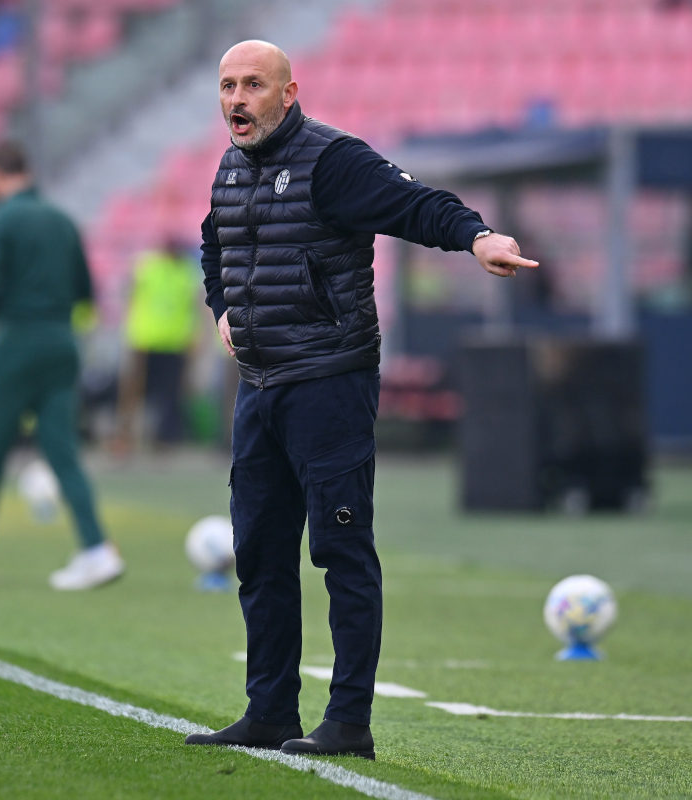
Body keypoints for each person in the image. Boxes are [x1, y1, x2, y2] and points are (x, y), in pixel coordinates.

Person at [184, 41, 537, 758]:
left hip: (328, 384)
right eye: (227, 86)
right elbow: (213, 245)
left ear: (288, 93)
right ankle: (271, 711)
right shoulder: (229, 168)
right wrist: (222, 308)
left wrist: (476, 237)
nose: (237, 99)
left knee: (341, 549)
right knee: (259, 554)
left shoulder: (334, 161)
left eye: (253, 85)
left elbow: (415, 204)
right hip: (259, 388)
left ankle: (348, 722)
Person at [0, 141, 122, 591]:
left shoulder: (3, 219)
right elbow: (84, 291)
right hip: (61, 341)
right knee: (62, 452)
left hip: (16, 339)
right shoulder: (63, 220)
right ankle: (97, 549)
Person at [113, 240, 202, 453]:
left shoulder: (183, 273)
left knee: (168, 396)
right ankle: (125, 438)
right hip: (146, 340)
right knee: (134, 393)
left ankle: (162, 440)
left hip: (171, 342)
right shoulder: (150, 268)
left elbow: (194, 308)